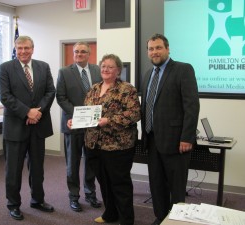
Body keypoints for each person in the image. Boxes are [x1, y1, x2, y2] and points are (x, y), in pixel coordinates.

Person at [68, 54, 141, 225]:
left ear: (118, 70)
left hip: (118, 146)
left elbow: (134, 114)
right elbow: (86, 113)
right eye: (103, 66)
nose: (105, 69)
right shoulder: (94, 88)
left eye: (110, 66)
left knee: (120, 184)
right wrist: (74, 121)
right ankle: (110, 214)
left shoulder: (127, 89)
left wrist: (109, 120)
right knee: (104, 182)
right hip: (94, 144)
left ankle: (126, 219)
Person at [141, 33, 200, 225]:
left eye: (158, 48)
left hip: (176, 141)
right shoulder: (148, 74)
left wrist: (187, 137)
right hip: (152, 139)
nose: (154, 52)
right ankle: (161, 217)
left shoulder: (183, 69)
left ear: (167, 49)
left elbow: (191, 106)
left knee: (176, 186)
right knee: (156, 184)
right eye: (151, 49)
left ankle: (177, 220)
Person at [0, 35, 56, 221]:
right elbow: (5, 96)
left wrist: (37, 111)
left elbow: (50, 91)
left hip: (38, 126)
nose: (23, 51)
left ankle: (37, 200)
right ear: (15, 49)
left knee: (38, 168)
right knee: (13, 170)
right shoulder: (5, 68)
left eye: (27, 48)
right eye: (20, 48)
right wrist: (27, 112)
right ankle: (13, 204)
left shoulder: (43, 66)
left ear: (33, 48)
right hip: (15, 127)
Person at [56, 42, 102, 212]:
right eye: (76, 52)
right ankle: (74, 197)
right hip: (73, 125)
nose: (79, 54)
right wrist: (77, 115)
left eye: (83, 51)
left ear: (89, 54)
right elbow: (60, 97)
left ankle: (90, 194)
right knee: (72, 164)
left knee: (91, 161)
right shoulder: (64, 72)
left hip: (93, 127)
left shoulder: (97, 70)